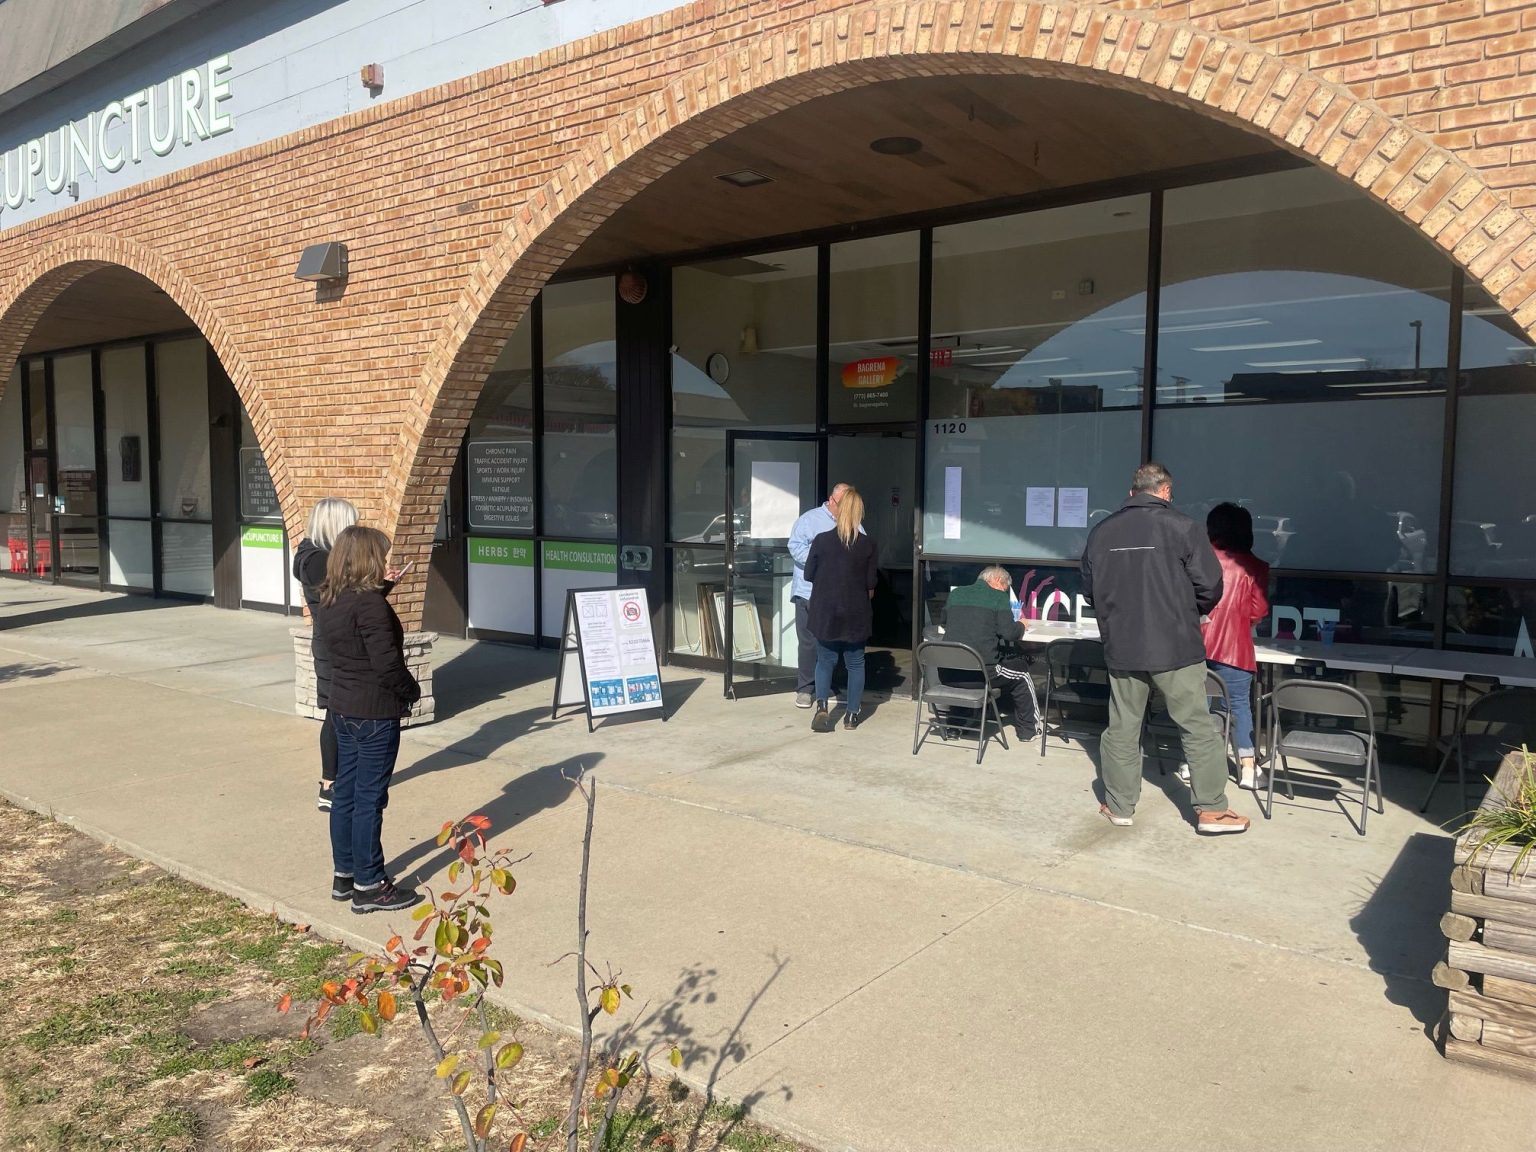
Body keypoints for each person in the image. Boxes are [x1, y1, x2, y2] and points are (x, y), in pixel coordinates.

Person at [1081, 463, 1249, 836]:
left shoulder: (1101, 532)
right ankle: (1212, 811)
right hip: (1175, 645)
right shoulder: (1183, 527)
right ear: (1166, 492)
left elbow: (1090, 589)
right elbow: (1210, 585)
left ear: (1132, 492)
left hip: (1123, 646)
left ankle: (1119, 805)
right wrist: (1188, 613)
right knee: (1197, 727)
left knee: (1123, 728)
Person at [319, 525, 424, 914]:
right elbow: (386, 664)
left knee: (345, 794)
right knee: (368, 799)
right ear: (368, 559)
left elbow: (358, 625)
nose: (385, 560)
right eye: (381, 555)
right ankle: (370, 884)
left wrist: (384, 589)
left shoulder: (332, 598)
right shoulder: (369, 605)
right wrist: (411, 691)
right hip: (374, 712)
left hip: (343, 708)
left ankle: (345, 876)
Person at [293, 497, 359, 812]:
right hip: (334, 645)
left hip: (335, 641)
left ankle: (338, 780)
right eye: (351, 524)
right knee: (337, 712)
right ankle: (329, 784)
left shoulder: (316, 555)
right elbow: (341, 604)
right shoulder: (319, 560)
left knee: (341, 710)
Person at [1202, 502, 1271, 792]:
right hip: (1236, 648)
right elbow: (1258, 610)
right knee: (1240, 706)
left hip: (1196, 646)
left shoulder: (1200, 560)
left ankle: (1197, 765)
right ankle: (1248, 769)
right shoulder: (1255, 567)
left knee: (1200, 707)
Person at [804, 486, 877, 732]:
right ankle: (852, 715)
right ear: (859, 513)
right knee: (855, 664)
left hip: (826, 611)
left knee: (825, 661)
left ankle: (822, 706)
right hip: (856, 613)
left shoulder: (822, 540)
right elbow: (871, 584)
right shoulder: (868, 544)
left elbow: (809, 574)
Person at [941, 564, 1040, 739]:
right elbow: (1010, 634)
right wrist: (1021, 624)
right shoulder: (998, 597)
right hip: (982, 675)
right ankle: (1029, 730)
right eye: (1005, 587)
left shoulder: (956, 593)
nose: (1005, 591)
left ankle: (955, 726)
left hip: (949, 674)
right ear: (997, 580)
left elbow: (944, 622)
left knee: (965, 665)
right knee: (1022, 673)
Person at [788, 482, 850, 709]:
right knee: (809, 642)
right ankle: (805, 688)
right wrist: (823, 562)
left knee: (832, 640)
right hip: (809, 591)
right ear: (832, 500)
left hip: (838, 593)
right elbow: (795, 547)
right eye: (843, 504)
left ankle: (828, 685)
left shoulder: (851, 521)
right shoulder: (809, 520)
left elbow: (861, 544)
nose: (846, 508)